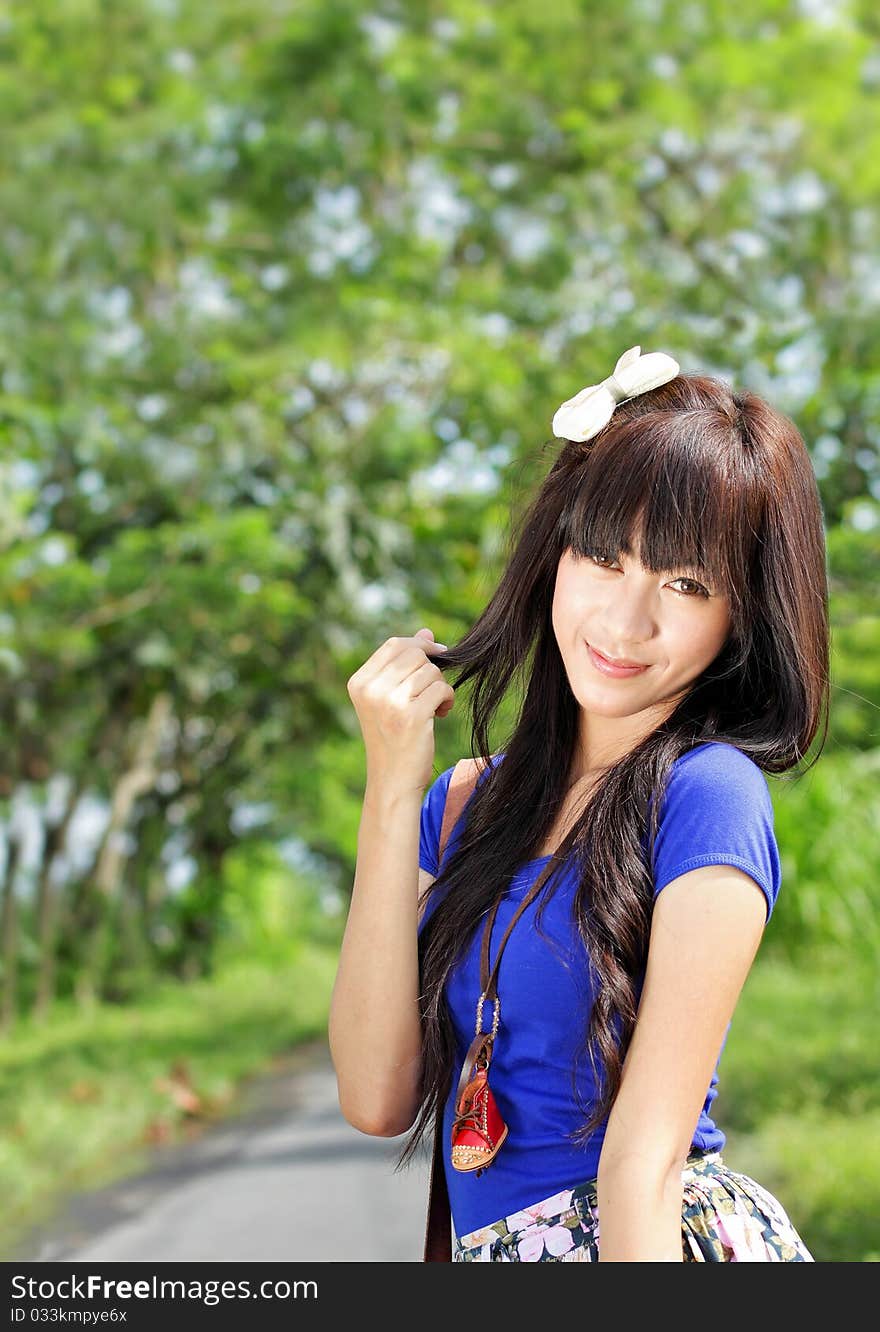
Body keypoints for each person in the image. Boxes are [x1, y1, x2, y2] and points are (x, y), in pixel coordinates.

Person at [329, 345, 828, 1261]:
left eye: (685, 584)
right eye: (603, 558)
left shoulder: (706, 796)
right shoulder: (463, 803)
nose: (625, 622)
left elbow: (645, 1161)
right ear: (553, 553)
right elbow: (373, 1096)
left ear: (740, 615)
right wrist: (394, 789)